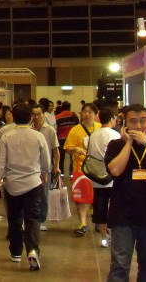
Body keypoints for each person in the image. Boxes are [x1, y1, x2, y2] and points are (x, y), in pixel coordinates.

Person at [0, 102, 50, 271]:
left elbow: (0, 163)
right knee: (32, 219)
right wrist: (44, 173)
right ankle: (32, 250)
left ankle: (16, 251)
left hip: (12, 184)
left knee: (14, 219)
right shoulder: (38, 136)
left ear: (13, 118)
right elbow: (46, 160)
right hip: (33, 183)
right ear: (30, 118)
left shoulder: (7, 136)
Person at [104, 103, 146, 282]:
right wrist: (128, 143)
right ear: (125, 124)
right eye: (133, 121)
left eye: (143, 121)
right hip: (122, 216)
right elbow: (115, 170)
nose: (139, 126)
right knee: (119, 267)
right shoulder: (115, 145)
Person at [63, 102, 100, 236]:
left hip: (97, 168)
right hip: (80, 168)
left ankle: (98, 221)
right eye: (85, 111)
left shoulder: (100, 128)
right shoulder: (75, 130)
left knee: (97, 196)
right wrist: (76, 149)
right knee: (80, 197)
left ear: (95, 114)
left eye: (90, 112)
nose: (87, 114)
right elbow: (67, 148)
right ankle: (83, 223)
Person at [88, 107, 120, 249]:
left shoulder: (94, 135)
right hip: (111, 176)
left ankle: (103, 235)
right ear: (112, 119)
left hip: (96, 176)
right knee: (113, 205)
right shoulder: (115, 135)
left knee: (99, 205)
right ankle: (113, 234)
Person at [30, 104, 60, 230]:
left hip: (45, 168)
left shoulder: (50, 130)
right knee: (30, 196)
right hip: (31, 168)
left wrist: (56, 166)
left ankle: (41, 220)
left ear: (43, 115)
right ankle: (30, 220)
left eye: (39, 114)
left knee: (43, 195)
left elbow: (55, 150)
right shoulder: (29, 129)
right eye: (34, 114)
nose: (36, 117)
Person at [55, 101, 80, 172]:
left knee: (61, 157)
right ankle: (71, 172)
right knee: (72, 157)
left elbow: (56, 128)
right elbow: (77, 126)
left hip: (61, 139)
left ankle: (61, 172)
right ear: (69, 107)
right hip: (72, 138)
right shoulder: (74, 115)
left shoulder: (58, 117)